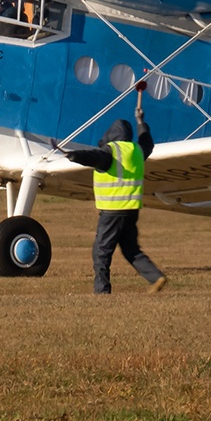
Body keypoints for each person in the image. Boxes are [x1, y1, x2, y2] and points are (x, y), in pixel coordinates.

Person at [58, 89, 168, 295]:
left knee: (101, 251)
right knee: (130, 249)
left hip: (112, 210)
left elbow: (94, 156)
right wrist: (141, 122)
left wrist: (72, 155)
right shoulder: (136, 151)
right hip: (131, 209)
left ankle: (102, 291)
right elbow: (148, 143)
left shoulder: (111, 151)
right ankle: (156, 277)